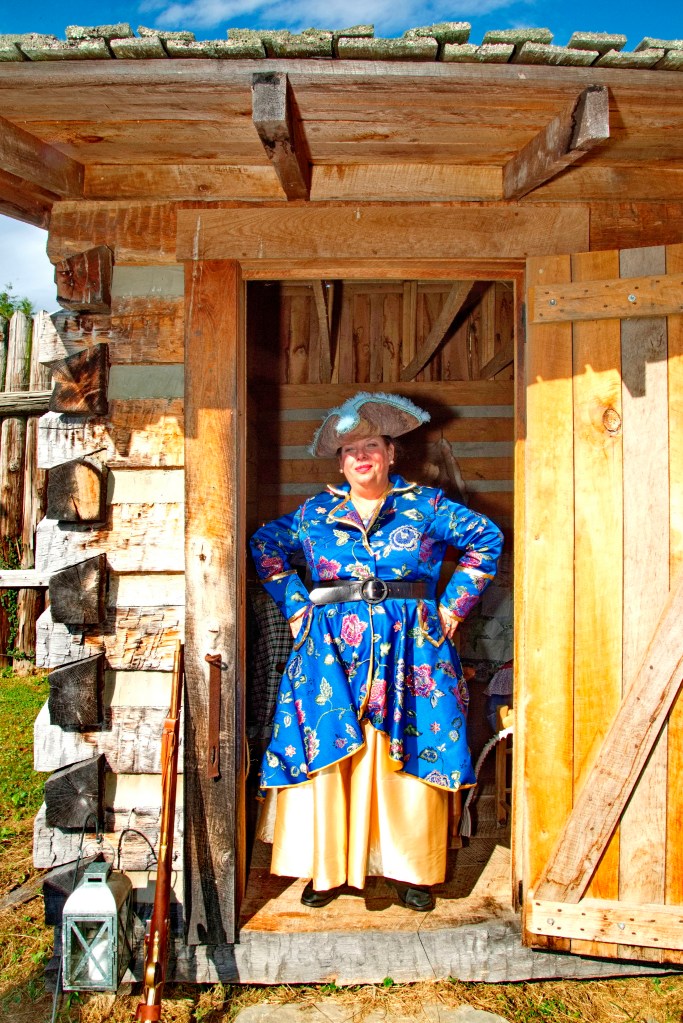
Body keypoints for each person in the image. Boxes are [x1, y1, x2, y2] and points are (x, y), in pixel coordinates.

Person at [250, 392, 503, 911]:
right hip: (329, 650)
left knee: (407, 749)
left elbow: (486, 539)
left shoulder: (425, 505)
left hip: (412, 648)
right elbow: (264, 548)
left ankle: (412, 871)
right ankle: (328, 867)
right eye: (349, 450)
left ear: (391, 453)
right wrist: (299, 607)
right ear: (340, 462)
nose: (360, 456)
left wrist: (451, 609)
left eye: (370, 445)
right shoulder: (314, 512)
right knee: (331, 745)